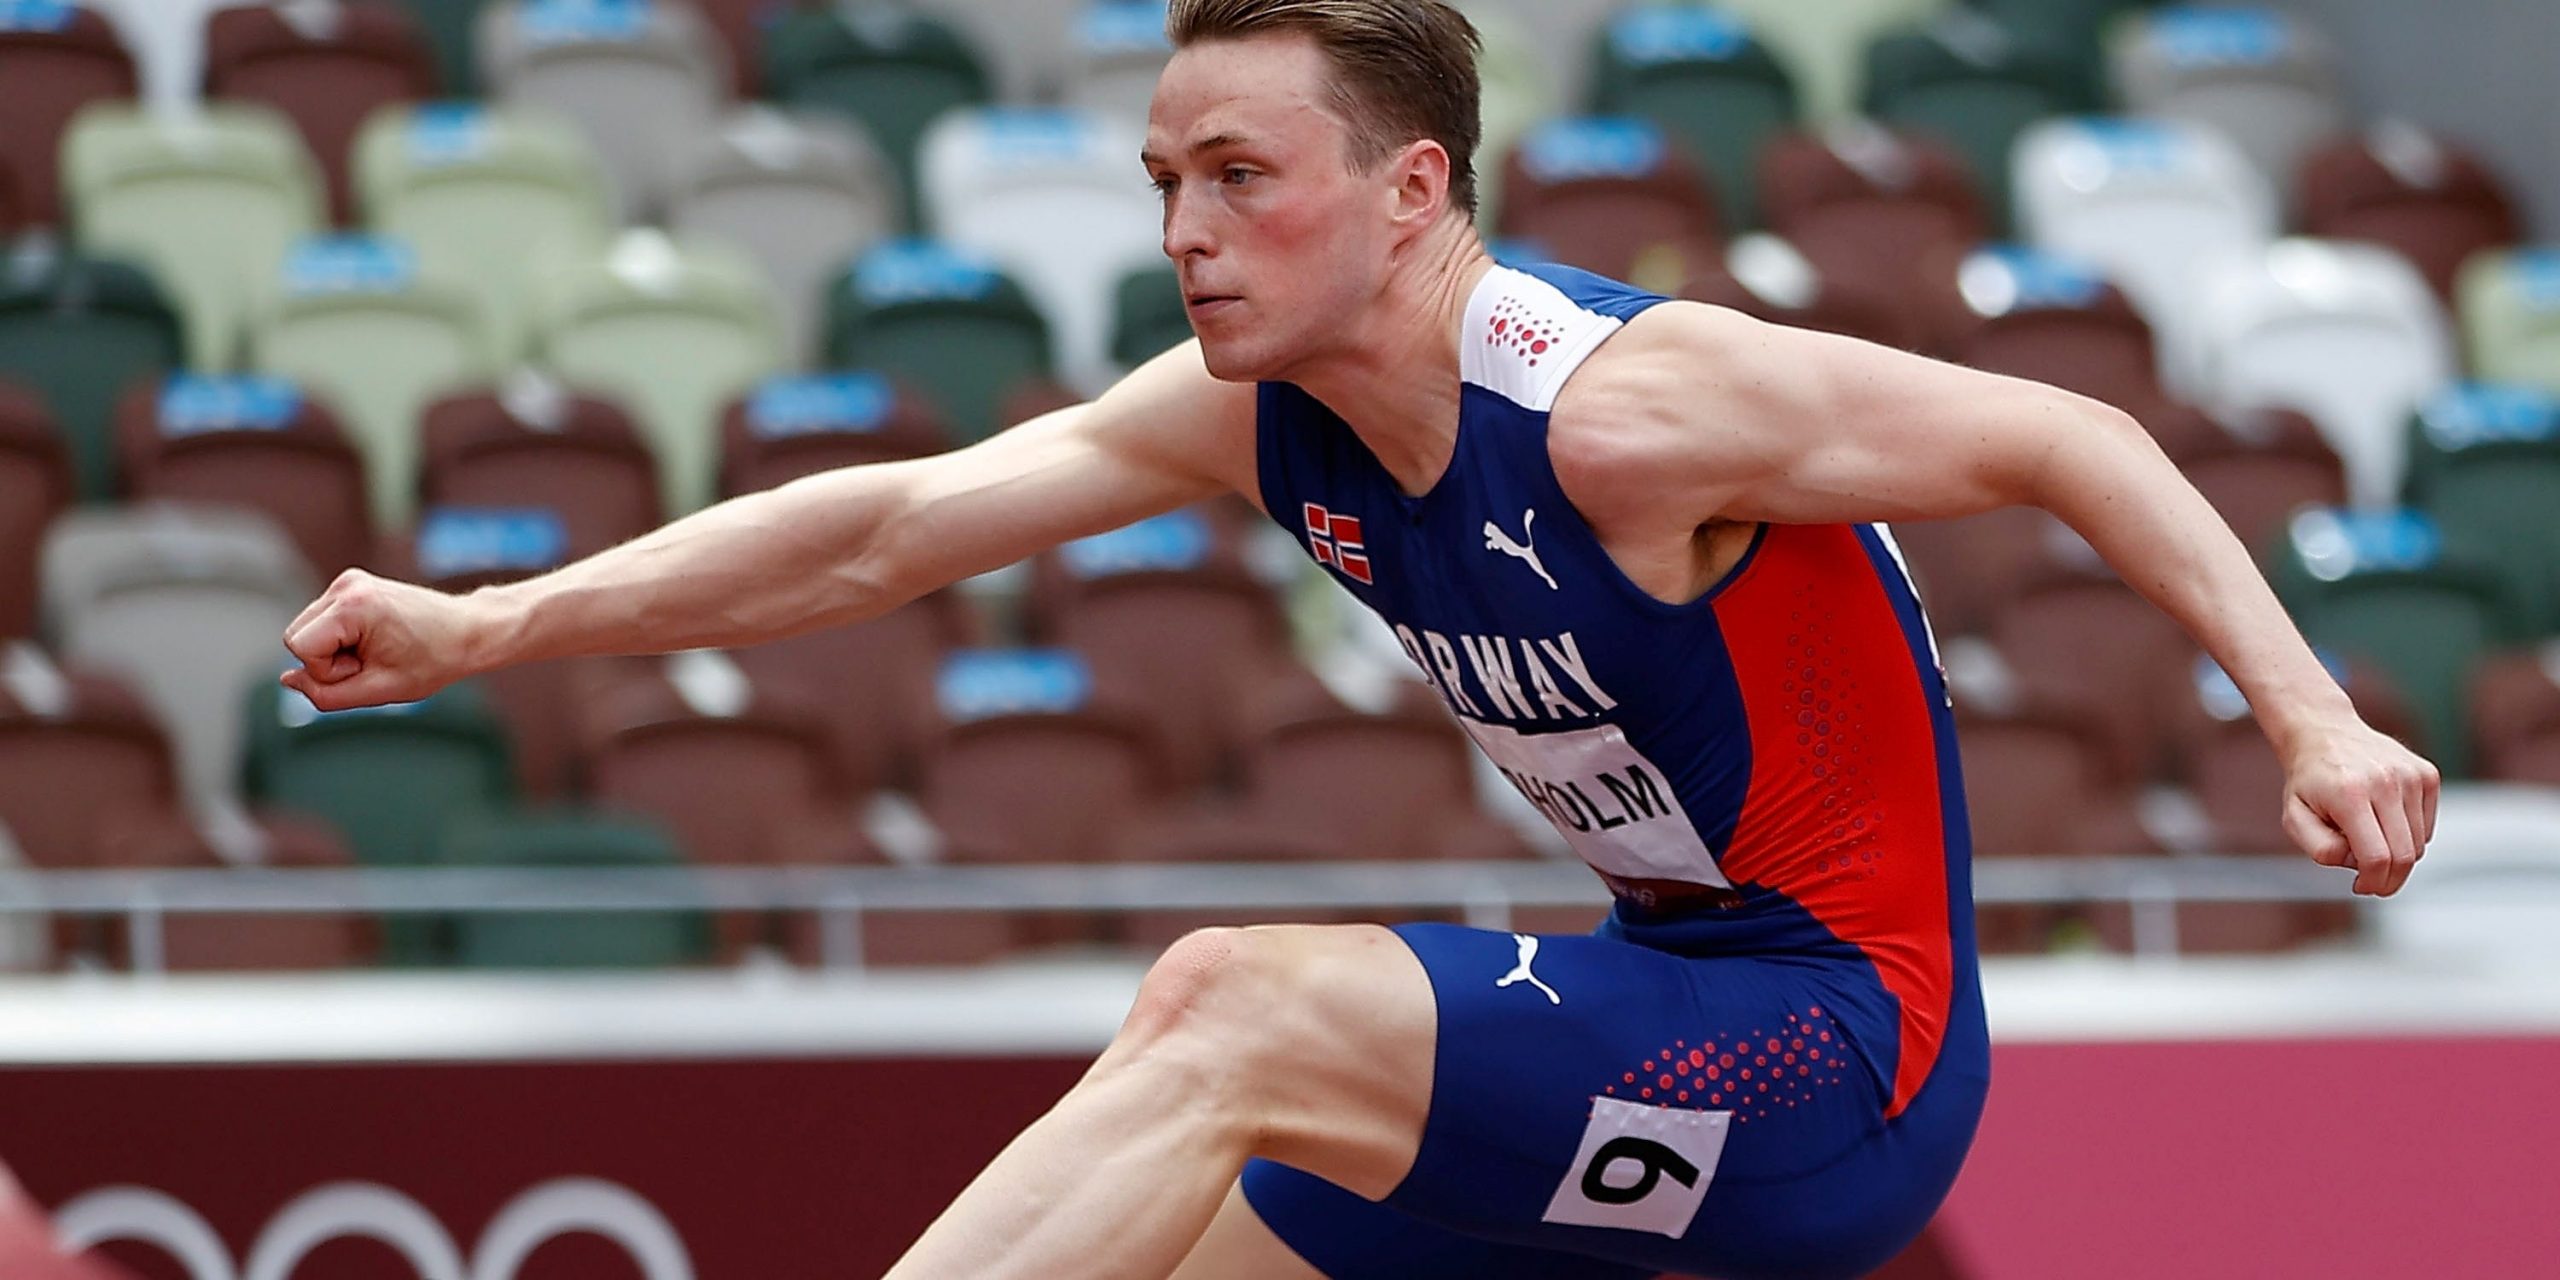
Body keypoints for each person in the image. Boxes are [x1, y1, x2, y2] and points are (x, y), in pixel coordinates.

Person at [279, 2, 2438, 1276]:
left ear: (1411, 190)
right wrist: (490, 623)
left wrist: (2308, 714)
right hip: (1663, 1004)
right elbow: (891, 529)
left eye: (1239, 174)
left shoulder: (1625, 408)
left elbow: (2069, 429)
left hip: (1828, 1059)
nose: (1182, 231)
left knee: (1223, 1003)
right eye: (1160, 178)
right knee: (1200, 1217)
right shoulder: (1255, 415)